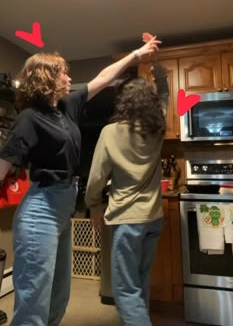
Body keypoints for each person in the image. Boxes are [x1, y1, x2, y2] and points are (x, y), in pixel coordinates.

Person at [0, 36, 159, 326]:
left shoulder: (67, 107)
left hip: (62, 211)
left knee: (59, 297)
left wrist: (137, 53)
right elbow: (3, 166)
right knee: (33, 303)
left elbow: (102, 77)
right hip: (40, 211)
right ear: (47, 77)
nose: (69, 77)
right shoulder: (29, 118)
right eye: (63, 72)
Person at [85, 65, 169, 326]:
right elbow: (165, 98)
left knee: (124, 290)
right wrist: (161, 75)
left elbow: (97, 177)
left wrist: (94, 206)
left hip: (126, 221)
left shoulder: (111, 133)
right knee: (140, 282)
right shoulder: (158, 128)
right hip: (153, 218)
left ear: (123, 103)